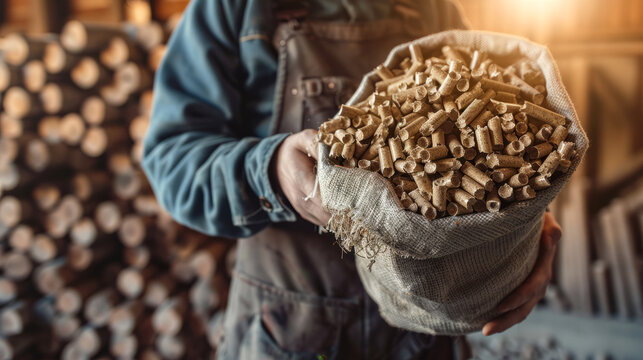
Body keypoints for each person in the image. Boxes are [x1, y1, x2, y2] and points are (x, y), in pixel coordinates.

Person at [142, 0, 563, 358]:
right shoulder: (236, 10)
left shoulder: (428, 6)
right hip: (292, 327)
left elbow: (500, 130)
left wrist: (531, 236)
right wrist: (270, 170)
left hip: (424, 328)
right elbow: (171, 160)